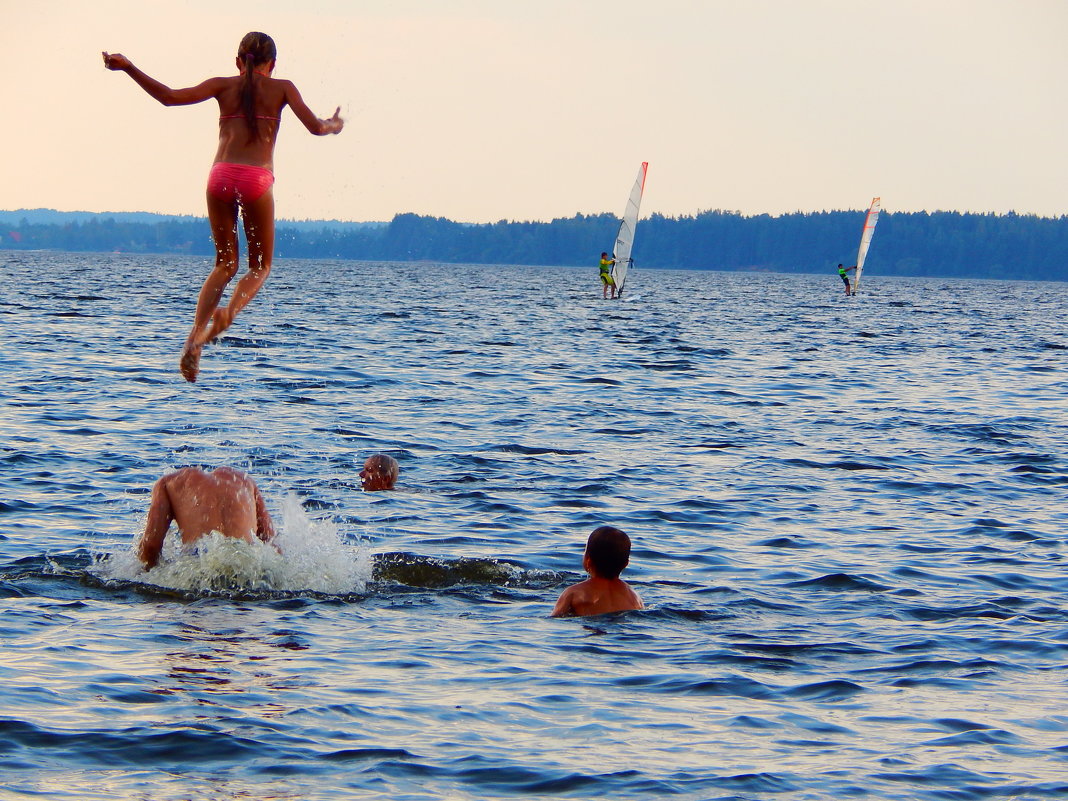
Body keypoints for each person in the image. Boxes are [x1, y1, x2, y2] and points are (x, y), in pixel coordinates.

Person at [103, 32, 345, 382]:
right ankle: (227, 314)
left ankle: (192, 343)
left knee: (224, 263)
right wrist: (335, 125)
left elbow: (169, 98)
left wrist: (128, 67)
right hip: (256, 179)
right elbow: (317, 127)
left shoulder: (222, 85)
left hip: (219, 177)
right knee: (259, 267)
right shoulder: (283, 88)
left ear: (237, 61)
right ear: (272, 65)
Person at [137, 466, 276, 569]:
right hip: (246, 558)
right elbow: (270, 540)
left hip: (201, 558)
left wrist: (147, 574)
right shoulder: (245, 481)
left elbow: (151, 546)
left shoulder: (168, 483)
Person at [551, 526, 643, 617]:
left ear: (588, 561)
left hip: (591, 622)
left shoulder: (573, 592)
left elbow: (555, 618)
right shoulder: (634, 597)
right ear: (626, 564)